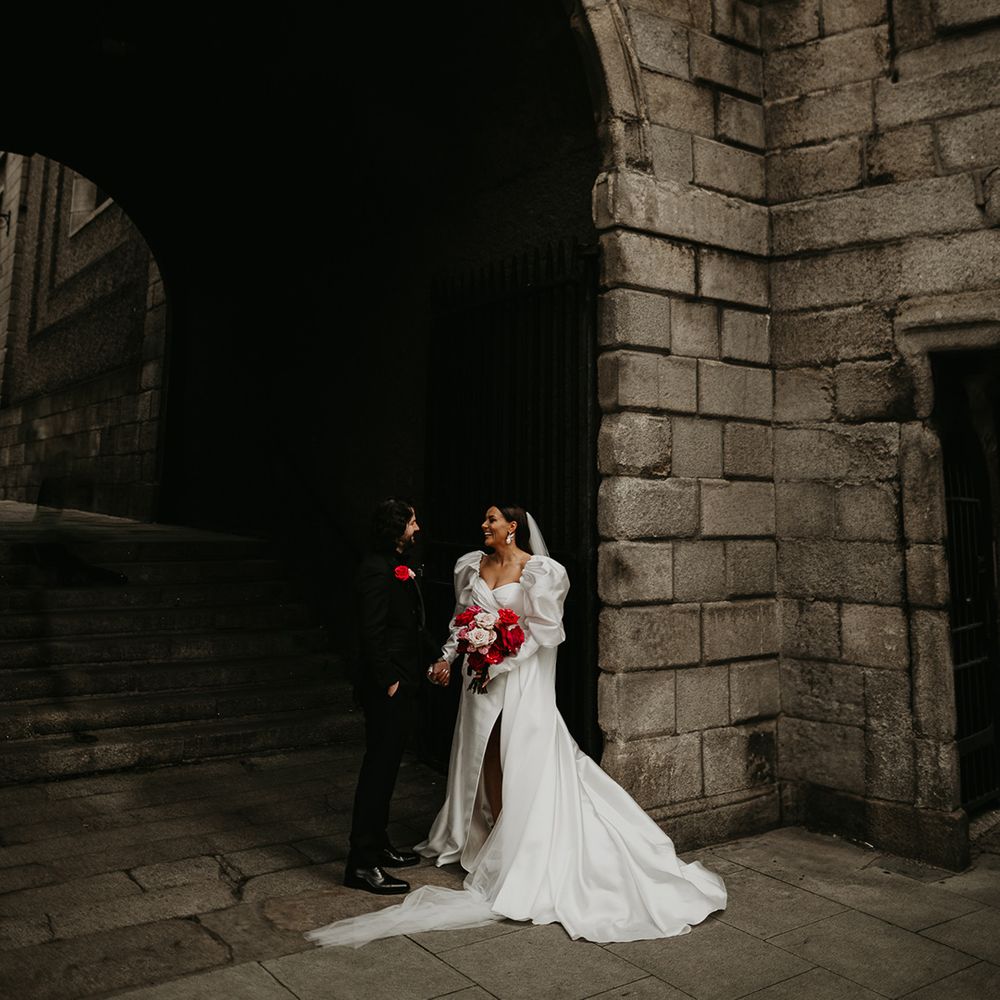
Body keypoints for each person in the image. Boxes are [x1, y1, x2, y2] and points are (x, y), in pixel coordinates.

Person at [309, 505, 725, 943]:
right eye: (484, 520)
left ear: (513, 528)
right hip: (478, 679)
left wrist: (500, 661)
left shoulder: (541, 572)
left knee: (518, 752)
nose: (483, 526)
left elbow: (545, 630)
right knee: (482, 753)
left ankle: (519, 842)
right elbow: (461, 621)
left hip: (518, 678)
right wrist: (449, 658)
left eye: (491, 520)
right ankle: (488, 835)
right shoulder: (472, 565)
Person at [344, 498, 450, 895]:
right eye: (412, 522)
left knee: (388, 769)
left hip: (404, 681)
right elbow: (370, 631)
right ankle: (361, 863)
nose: (417, 528)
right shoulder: (375, 569)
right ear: (396, 528)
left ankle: (379, 843)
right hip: (388, 686)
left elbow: (409, 625)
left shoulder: (393, 566)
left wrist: (441, 653)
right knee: (378, 769)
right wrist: (388, 679)